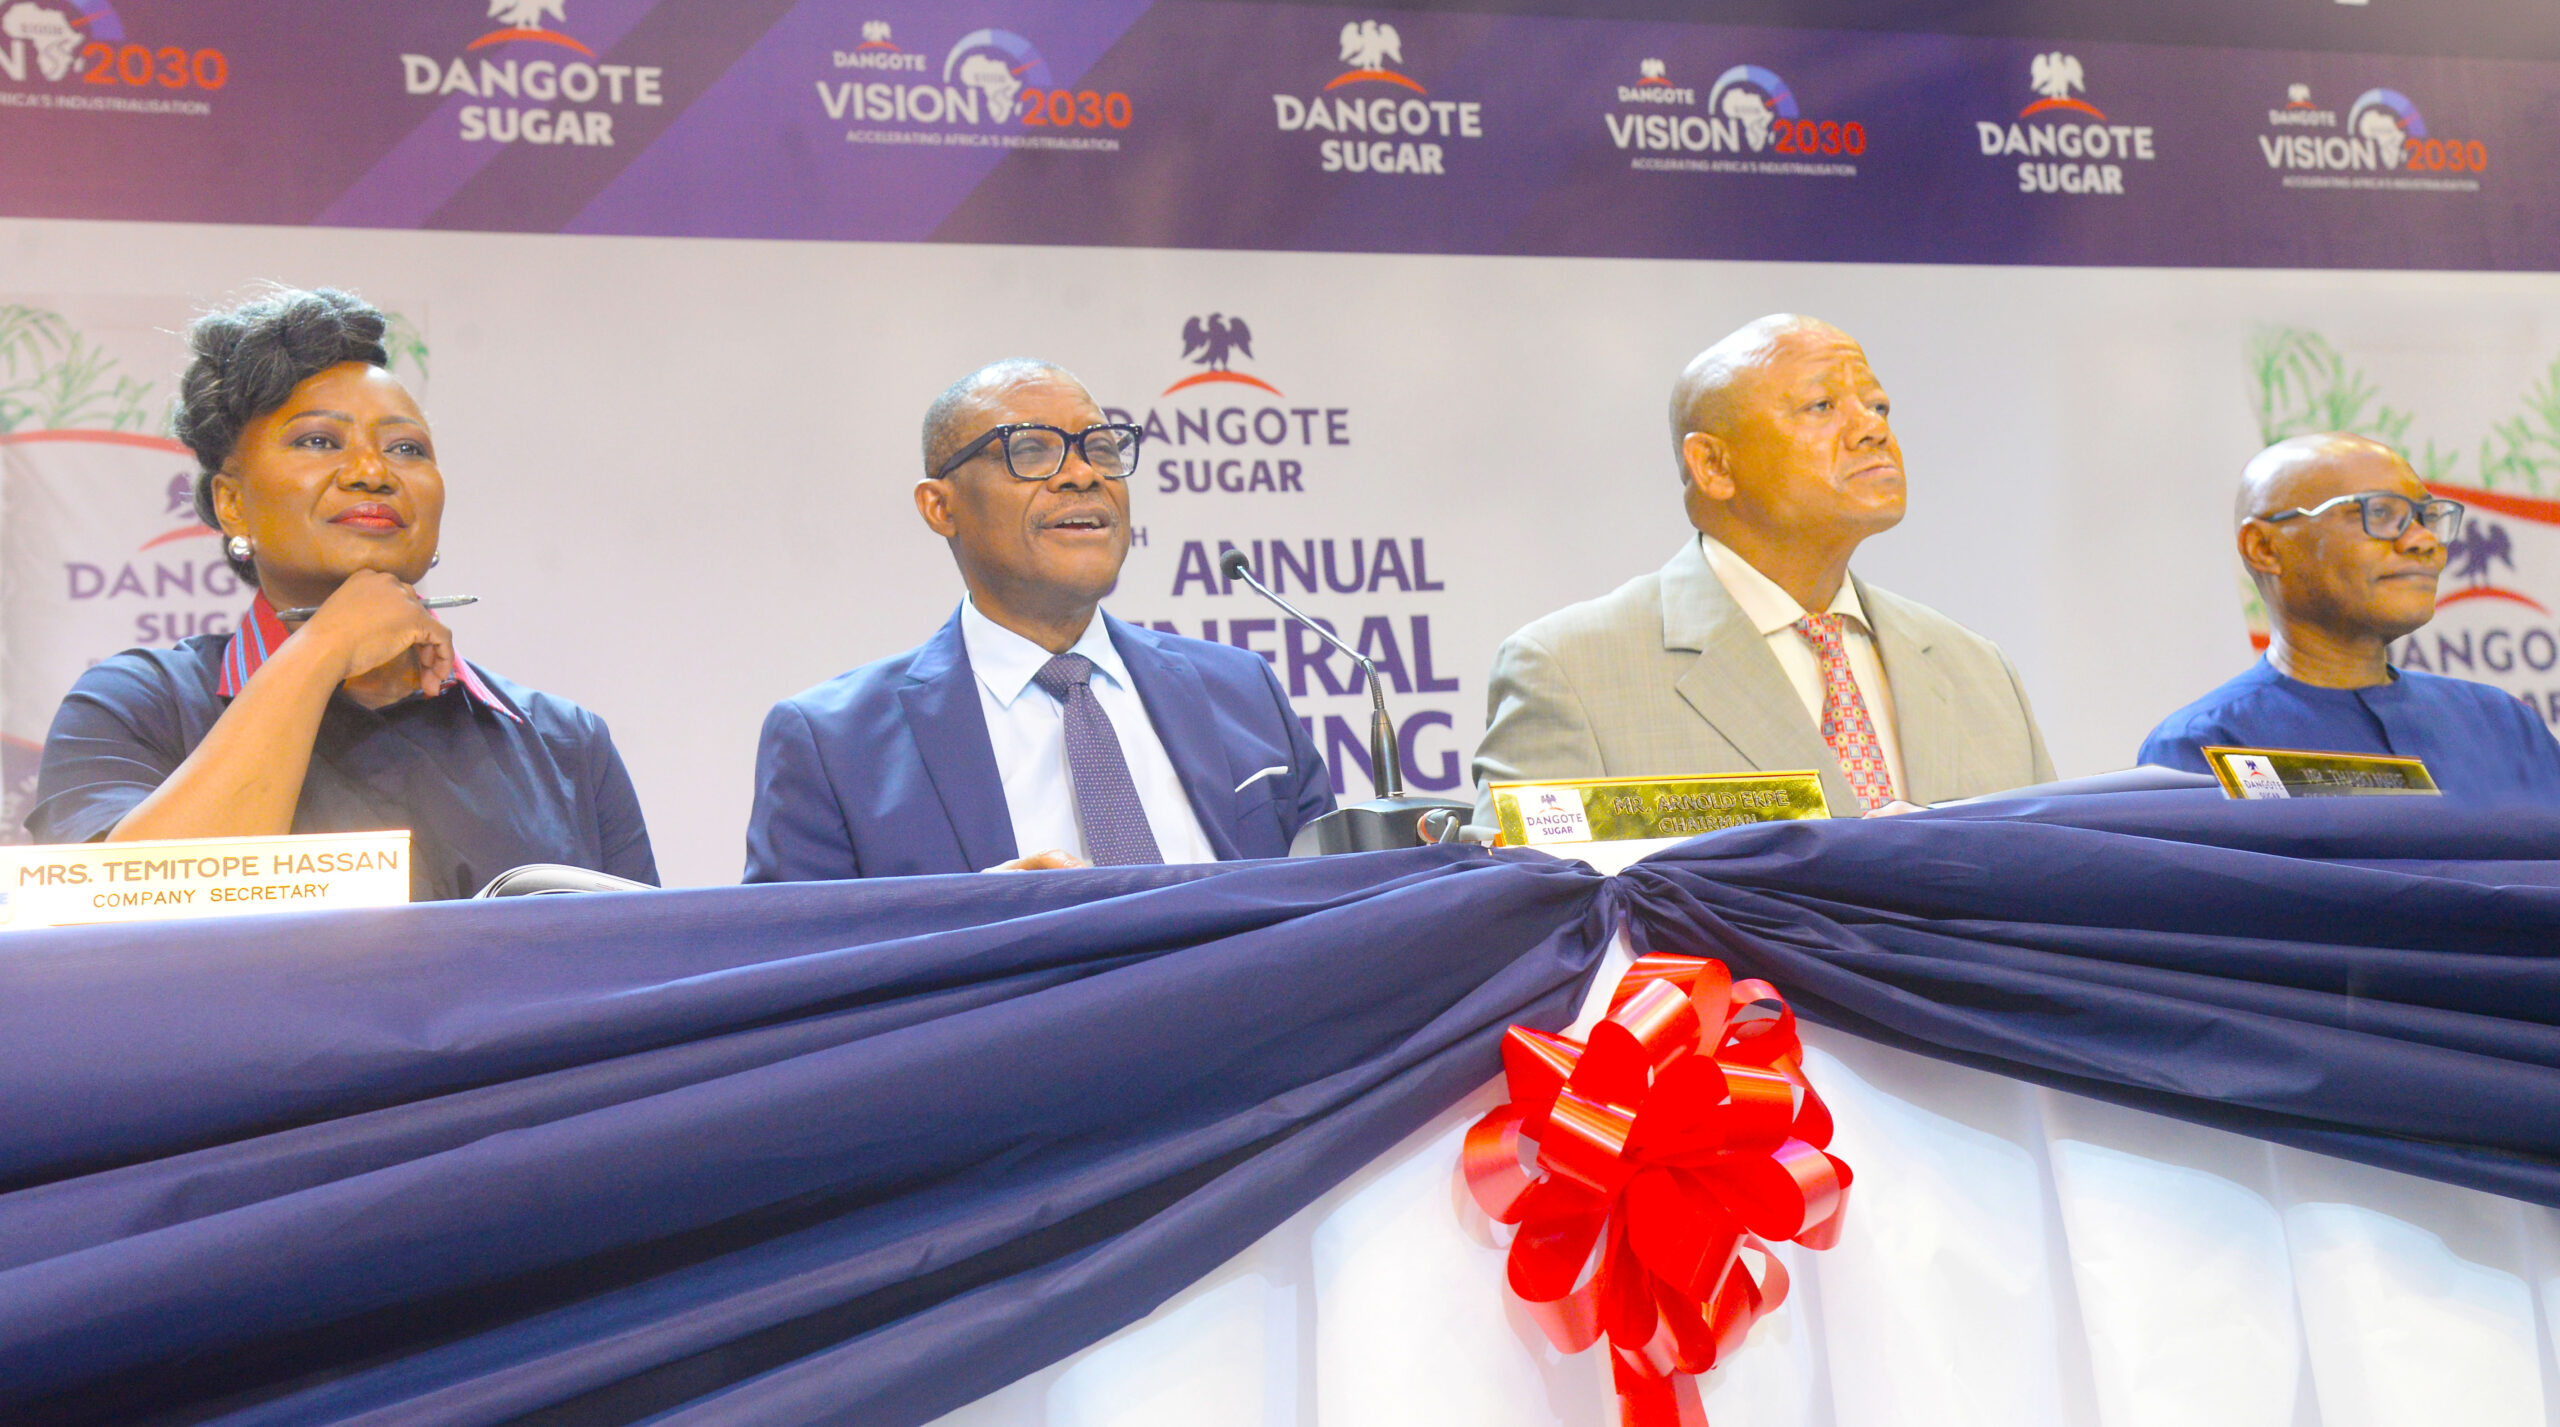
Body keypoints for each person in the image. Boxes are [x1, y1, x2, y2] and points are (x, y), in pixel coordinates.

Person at [23, 287, 657, 899]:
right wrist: (325, 646)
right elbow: (128, 922)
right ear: (233, 503)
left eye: (406, 448)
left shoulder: (566, 742)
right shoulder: (138, 706)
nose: (372, 472)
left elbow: (643, 960)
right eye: (319, 441)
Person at [745, 359, 1334, 880]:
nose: (1083, 474)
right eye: (1029, 450)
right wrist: (974, 925)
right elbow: (799, 959)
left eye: (1101, 448)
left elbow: (1340, 905)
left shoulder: (1243, 690)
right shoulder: (834, 747)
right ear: (940, 506)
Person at [1472, 314, 2053, 819]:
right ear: (1713, 465)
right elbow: (1533, 904)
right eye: (1822, 406)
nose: (1873, 429)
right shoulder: (1572, 673)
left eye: (1877, 406)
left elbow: (2056, 884)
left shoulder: (1979, 671)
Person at [2140, 432, 2560, 795]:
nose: (2423, 541)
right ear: (2264, 548)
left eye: (2426, 517)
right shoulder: (2209, 745)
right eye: (2379, 513)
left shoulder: (2502, 725)